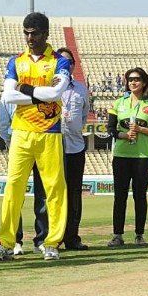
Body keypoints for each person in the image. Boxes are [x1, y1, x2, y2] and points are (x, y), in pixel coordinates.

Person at [0, 12, 71, 262]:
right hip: (21, 132)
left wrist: (26, 89)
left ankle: (52, 242)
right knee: (13, 187)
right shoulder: (16, 61)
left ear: (46, 33)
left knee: (54, 189)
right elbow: (8, 96)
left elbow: (57, 93)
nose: (30, 37)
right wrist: (39, 94)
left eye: (34, 32)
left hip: (49, 133)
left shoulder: (59, 62)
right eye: (26, 32)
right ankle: (6, 243)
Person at [107, 67, 148, 247]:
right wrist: (124, 135)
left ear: (144, 82)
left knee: (140, 196)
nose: (133, 82)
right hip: (122, 155)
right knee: (120, 196)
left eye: (137, 79)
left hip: (142, 156)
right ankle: (118, 235)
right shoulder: (118, 103)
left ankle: (139, 234)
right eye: (130, 79)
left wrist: (140, 130)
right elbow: (110, 129)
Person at [0, 98, 45, 256]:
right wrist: (12, 142)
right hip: (19, 144)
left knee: (43, 194)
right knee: (15, 193)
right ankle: (15, 240)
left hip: (42, 143)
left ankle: (41, 240)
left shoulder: (43, 89)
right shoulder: (9, 93)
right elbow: (3, 125)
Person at [57, 47, 91, 250]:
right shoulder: (49, 86)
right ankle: (51, 237)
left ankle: (72, 237)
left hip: (76, 147)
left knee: (74, 194)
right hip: (53, 147)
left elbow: (84, 115)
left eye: (69, 62)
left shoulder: (81, 89)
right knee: (52, 194)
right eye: (61, 61)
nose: (65, 65)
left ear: (73, 66)